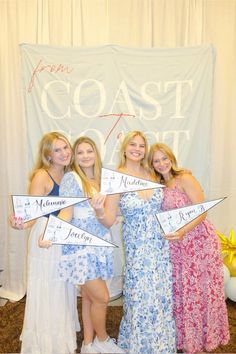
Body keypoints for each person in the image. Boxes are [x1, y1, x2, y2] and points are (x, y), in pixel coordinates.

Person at [91, 131, 176, 354]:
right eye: (133, 144)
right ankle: (139, 345)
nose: (137, 149)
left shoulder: (152, 172)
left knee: (159, 294)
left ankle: (162, 344)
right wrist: (99, 210)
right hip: (137, 248)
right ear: (125, 148)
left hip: (160, 245)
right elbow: (109, 220)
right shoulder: (116, 177)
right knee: (139, 296)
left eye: (141, 145)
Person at [148, 142, 230, 354]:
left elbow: (202, 211)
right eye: (156, 160)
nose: (161, 163)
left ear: (171, 158)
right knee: (184, 291)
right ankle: (187, 340)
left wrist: (183, 232)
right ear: (152, 164)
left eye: (164, 158)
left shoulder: (184, 178)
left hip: (198, 241)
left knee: (200, 291)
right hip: (176, 246)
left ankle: (203, 341)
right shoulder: (159, 186)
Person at [53, 136, 125, 354]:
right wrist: (52, 232)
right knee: (102, 297)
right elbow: (66, 212)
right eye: (80, 152)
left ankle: (87, 344)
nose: (85, 156)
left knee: (89, 298)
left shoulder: (103, 179)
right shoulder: (72, 178)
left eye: (89, 151)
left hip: (100, 246)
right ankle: (102, 340)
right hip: (81, 248)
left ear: (96, 153)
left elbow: (111, 214)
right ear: (74, 156)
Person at [10, 132, 80, 354]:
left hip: (64, 235)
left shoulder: (70, 174)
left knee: (63, 286)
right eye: (57, 150)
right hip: (45, 237)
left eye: (65, 148)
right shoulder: (42, 175)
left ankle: (62, 330)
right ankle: (47, 340)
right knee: (48, 286)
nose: (63, 153)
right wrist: (20, 223)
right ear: (48, 154)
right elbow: (31, 215)